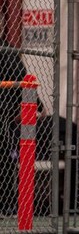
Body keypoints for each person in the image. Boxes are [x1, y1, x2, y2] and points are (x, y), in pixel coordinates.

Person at [0, 36, 45, 218]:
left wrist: (37, 106)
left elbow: (22, 79)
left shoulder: (6, 51)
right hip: (7, 113)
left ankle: (8, 203)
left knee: (6, 155)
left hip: (6, 114)